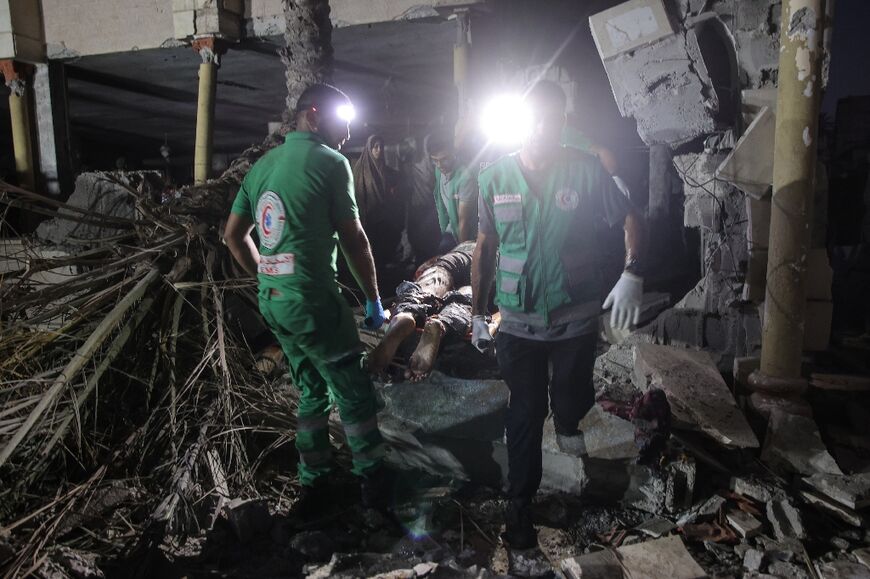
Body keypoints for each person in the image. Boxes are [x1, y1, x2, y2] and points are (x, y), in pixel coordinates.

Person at [470, 80, 645, 549]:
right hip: (519, 321)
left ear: (562, 123)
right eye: (536, 118)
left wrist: (633, 271)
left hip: (575, 319)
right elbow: (485, 248)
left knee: (569, 402)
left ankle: (574, 466)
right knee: (525, 410)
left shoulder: (585, 171)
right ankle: (520, 506)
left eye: (553, 119)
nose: (543, 128)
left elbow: (629, 217)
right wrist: (475, 312)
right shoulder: (494, 178)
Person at [223, 83, 391, 515]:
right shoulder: (332, 163)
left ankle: (313, 486)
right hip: (315, 301)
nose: (347, 136)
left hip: (275, 302)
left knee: (311, 392)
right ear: (313, 115)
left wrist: (266, 272)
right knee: (353, 392)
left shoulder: (262, 167)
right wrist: (374, 300)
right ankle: (374, 491)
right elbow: (355, 241)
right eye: (342, 124)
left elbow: (233, 236)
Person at [368, 241, 497, 381]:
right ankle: (442, 323)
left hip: (458, 255)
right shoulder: (507, 254)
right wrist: (493, 324)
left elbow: (426, 267)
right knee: (470, 293)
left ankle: (405, 313)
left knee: (436, 277)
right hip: (491, 265)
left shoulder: (471, 241)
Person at [353, 134, 404, 268]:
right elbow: (358, 196)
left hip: (385, 222)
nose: (378, 150)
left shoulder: (387, 172)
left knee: (384, 258)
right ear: (369, 149)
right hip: (368, 221)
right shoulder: (360, 170)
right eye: (375, 147)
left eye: (381, 147)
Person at [429, 131, 479, 253]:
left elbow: (464, 221)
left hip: (469, 231)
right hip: (451, 228)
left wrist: (462, 252)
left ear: (453, 153)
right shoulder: (438, 170)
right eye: (435, 160)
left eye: (443, 159)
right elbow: (441, 206)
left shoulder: (465, 177)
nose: (439, 165)